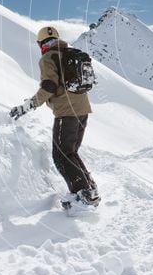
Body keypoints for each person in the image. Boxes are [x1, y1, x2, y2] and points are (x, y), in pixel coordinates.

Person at [9, 26, 100, 207]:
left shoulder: (48, 57)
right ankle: (90, 189)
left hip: (66, 113)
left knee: (61, 156)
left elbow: (49, 86)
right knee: (70, 153)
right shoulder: (69, 53)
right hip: (82, 111)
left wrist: (29, 105)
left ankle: (82, 195)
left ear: (41, 43)